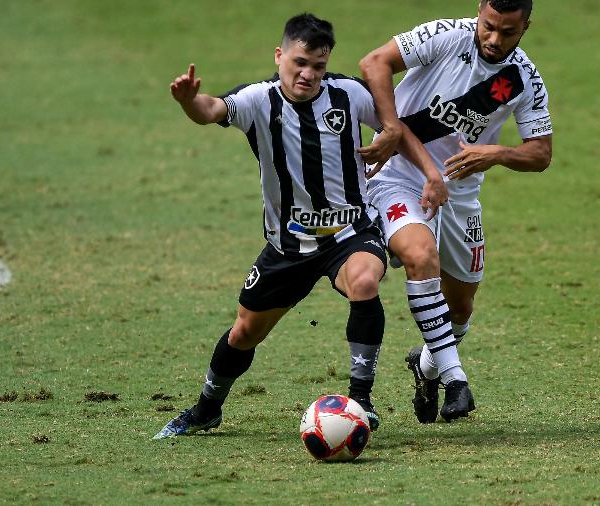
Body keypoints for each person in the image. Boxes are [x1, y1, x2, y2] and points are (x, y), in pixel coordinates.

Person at [154, 13, 448, 439]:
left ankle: (361, 400)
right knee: (244, 332)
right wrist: (187, 101)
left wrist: (426, 171)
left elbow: (397, 127)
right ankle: (206, 408)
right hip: (288, 246)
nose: (308, 74)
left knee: (365, 281)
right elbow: (211, 109)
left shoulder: (349, 95)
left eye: (318, 66)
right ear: (279, 56)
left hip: (349, 233)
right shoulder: (257, 100)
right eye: (299, 63)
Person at [358, 0, 553, 423]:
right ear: (479, 11)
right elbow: (374, 63)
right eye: (489, 27)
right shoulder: (445, 35)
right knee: (420, 255)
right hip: (398, 175)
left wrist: (497, 152)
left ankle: (426, 365)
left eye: (508, 32)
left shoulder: (523, 78)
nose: (494, 39)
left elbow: (541, 154)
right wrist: (392, 127)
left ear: (526, 28)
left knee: (461, 307)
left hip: (460, 193)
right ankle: (455, 379)